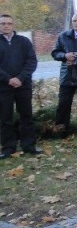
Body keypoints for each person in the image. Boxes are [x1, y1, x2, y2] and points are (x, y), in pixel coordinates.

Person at [0, 14, 40, 158]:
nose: (6, 26)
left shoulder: (23, 42)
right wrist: (8, 79)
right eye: (3, 23)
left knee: (26, 116)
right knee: (5, 118)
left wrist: (20, 78)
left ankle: (29, 145)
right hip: (3, 87)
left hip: (23, 86)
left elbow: (31, 62)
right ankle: (8, 148)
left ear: (13, 25)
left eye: (9, 23)